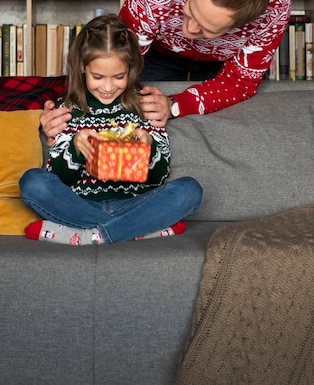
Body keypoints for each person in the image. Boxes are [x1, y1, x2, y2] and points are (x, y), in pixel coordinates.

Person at [40, 0, 291, 140]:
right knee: (130, 112)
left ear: (241, 25)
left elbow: (239, 83)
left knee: (216, 128)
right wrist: (69, 109)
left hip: (222, 63)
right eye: (190, 12)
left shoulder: (274, 11)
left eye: (207, 30)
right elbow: (111, 60)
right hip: (158, 51)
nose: (190, 31)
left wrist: (173, 105)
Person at [20, 14, 202, 246]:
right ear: (83, 67)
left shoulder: (146, 107)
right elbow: (58, 179)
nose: (107, 88)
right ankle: (136, 229)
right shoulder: (66, 111)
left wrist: (149, 146)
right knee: (32, 182)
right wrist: (76, 146)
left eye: (118, 77)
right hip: (80, 203)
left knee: (189, 190)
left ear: (130, 70)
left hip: (134, 202)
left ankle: (91, 235)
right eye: (98, 77)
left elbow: (159, 179)